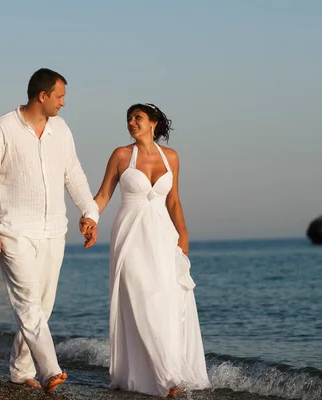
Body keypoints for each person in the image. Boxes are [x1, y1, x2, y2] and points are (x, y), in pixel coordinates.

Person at [0, 68, 99, 393]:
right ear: (42, 96)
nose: (63, 103)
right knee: (27, 303)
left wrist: (89, 211)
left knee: (42, 306)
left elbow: (73, 173)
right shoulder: (3, 128)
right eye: (60, 96)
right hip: (13, 230)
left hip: (54, 231)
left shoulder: (61, 129)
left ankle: (19, 370)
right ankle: (50, 369)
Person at [85, 103, 210, 397]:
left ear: (153, 122)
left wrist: (184, 233)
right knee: (141, 298)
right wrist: (90, 218)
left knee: (165, 301)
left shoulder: (172, 158)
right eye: (128, 118)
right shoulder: (121, 155)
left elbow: (174, 202)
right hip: (130, 236)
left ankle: (159, 372)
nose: (131, 122)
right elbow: (103, 194)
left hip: (163, 237)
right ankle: (167, 377)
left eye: (137, 117)